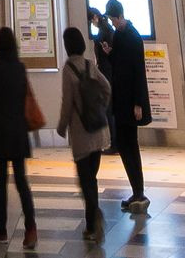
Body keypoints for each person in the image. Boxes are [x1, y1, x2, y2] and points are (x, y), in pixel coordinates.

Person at [54, 29, 111, 241]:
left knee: (85, 180)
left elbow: (67, 102)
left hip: (82, 133)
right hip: (99, 131)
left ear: (67, 45)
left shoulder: (69, 69)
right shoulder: (89, 65)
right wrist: (100, 108)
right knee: (91, 178)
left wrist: (61, 127)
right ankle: (91, 223)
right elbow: (106, 87)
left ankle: (94, 221)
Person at [0, 26, 35, 243]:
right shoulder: (20, 67)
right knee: (21, 181)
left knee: (1, 182)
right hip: (18, 132)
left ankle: (1, 228)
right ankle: (31, 228)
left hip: (0, 133)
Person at [94, 5, 147, 215]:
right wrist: (110, 54)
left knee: (130, 145)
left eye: (114, 19)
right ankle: (136, 192)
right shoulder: (120, 35)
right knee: (125, 146)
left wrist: (138, 103)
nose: (113, 23)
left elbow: (138, 71)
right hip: (121, 101)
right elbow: (119, 64)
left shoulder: (133, 37)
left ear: (120, 15)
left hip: (131, 103)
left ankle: (139, 191)